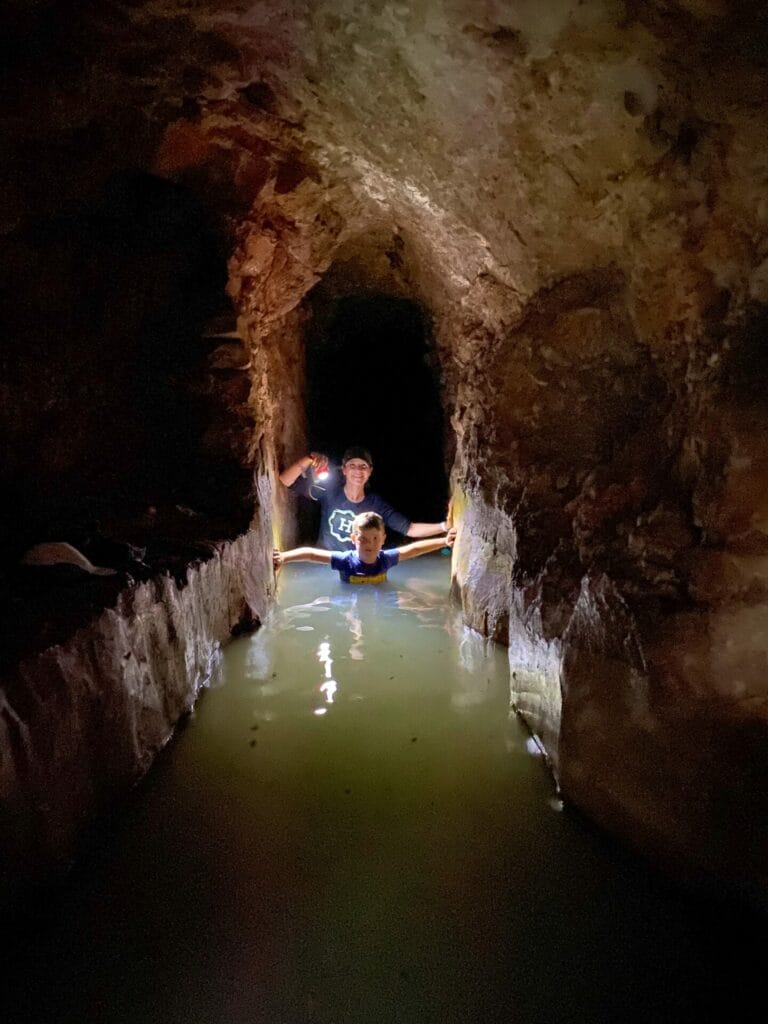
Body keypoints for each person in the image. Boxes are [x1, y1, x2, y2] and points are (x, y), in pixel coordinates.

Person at [278, 445, 449, 550]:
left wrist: (445, 526)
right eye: (352, 465)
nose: (358, 471)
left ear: (370, 471)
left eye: (363, 466)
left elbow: (410, 529)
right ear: (344, 470)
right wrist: (310, 458)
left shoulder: (376, 504)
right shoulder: (329, 492)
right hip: (325, 560)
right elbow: (286, 480)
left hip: (354, 564)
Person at [274, 511, 455, 585]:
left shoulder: (385, 559)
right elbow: (311, 554)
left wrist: (444, 542)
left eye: (375, 538)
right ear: (354, 539)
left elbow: (413, 549)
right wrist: (283, 557)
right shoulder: (345, 561)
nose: (370, 544)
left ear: (383, 539)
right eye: (363, 539)